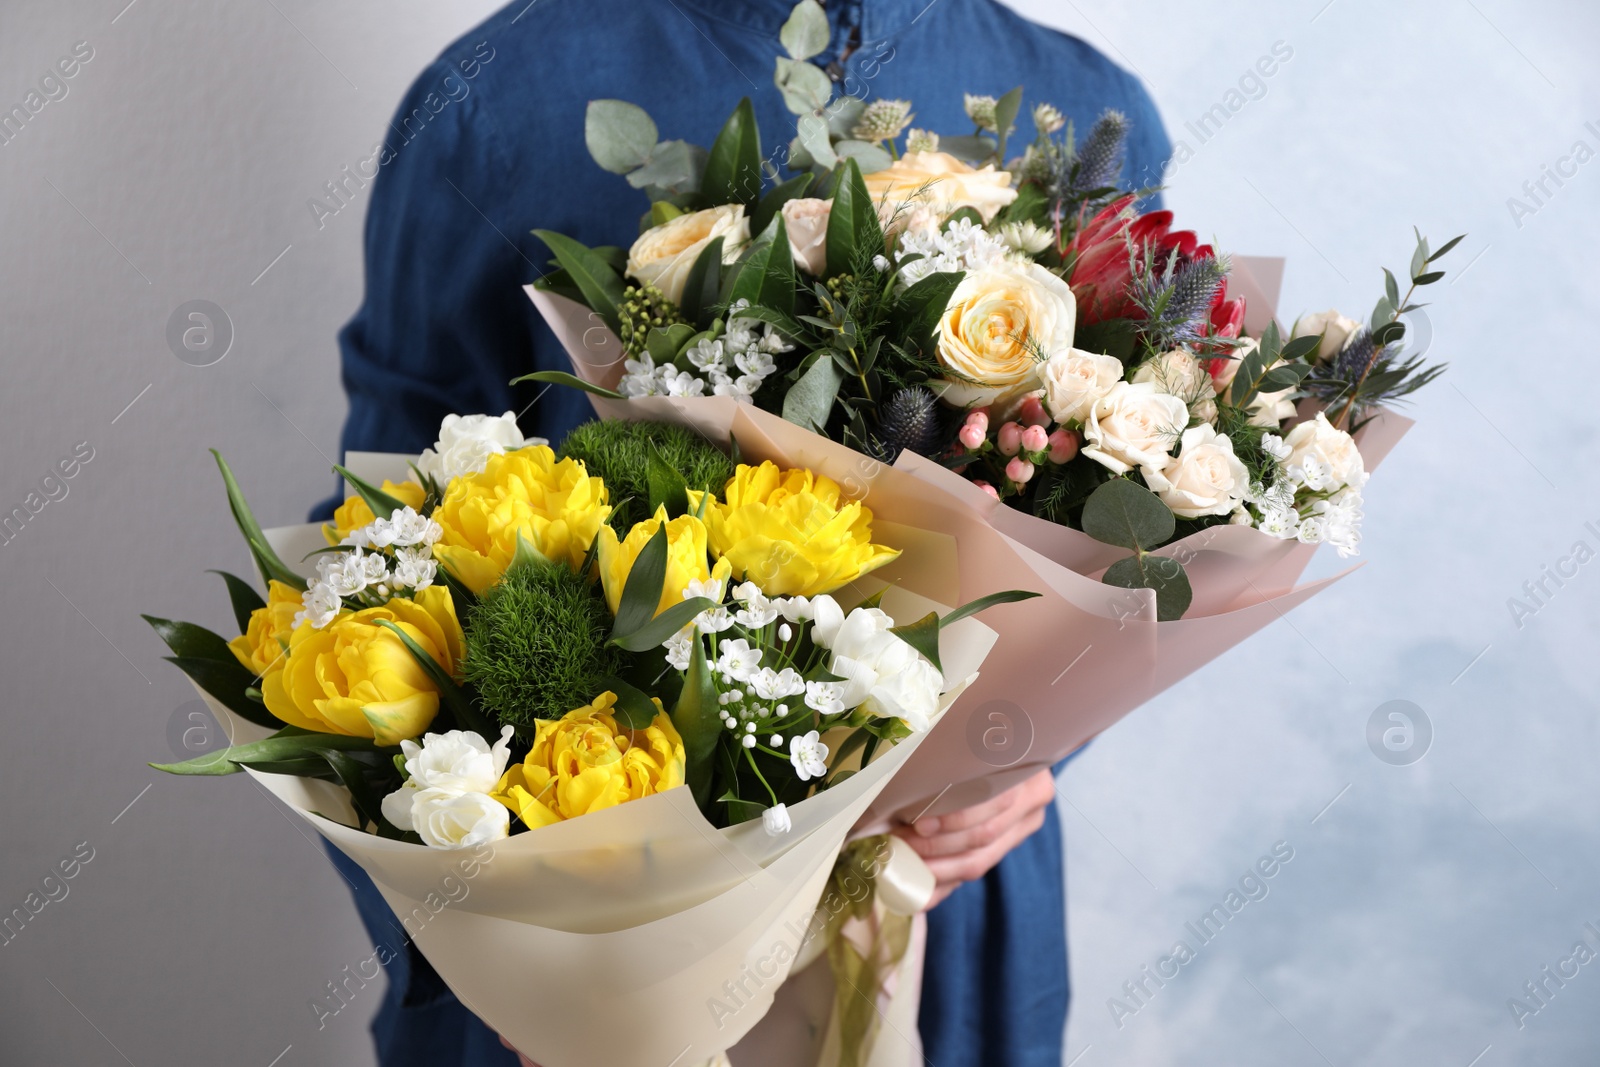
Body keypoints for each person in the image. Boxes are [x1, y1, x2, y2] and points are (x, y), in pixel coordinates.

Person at [314, 1, 1171, 1063]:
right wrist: (486, 954)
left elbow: (1134, 532)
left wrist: (1031, 760)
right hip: (595, 917)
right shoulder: (490, 101)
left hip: (946, 896)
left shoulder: (1094, 112)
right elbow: (372, 549)